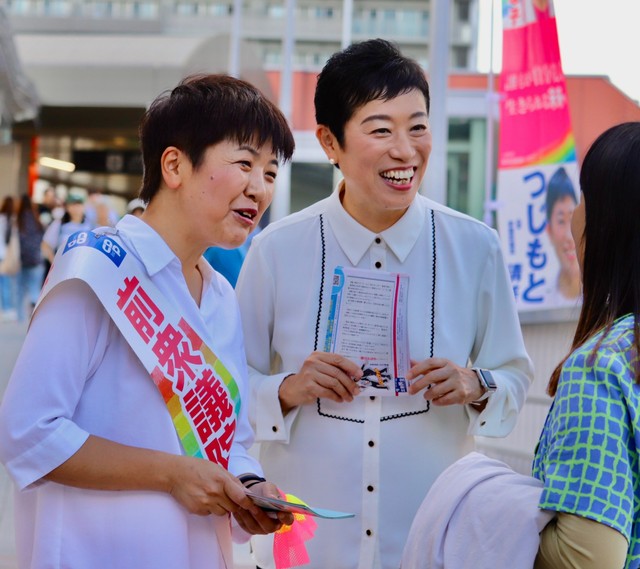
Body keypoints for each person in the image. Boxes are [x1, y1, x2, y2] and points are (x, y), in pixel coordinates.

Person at [235, 39, 533, 569]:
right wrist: (286, 389)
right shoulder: (277, 250)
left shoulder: (475, 247)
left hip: (433, 542)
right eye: (381, 129)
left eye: (417, 126)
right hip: (307, 549)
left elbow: (513, 375)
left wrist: (476, 383)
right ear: (330, 142)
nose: (405, 150)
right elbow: (228, 388)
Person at [0, 73, 295, 569]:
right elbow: (27, 431)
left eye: (269, 172)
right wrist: (169, 474)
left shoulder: (221, 295)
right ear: (175, 165)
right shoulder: (97, 270)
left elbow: (231, 437)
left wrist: (248, 485)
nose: (259, 188)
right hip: (92, 552)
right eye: (244, 163)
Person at [532, 121, 640, 569]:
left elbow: (587, 559)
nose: (576, 214)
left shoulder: (603, 368)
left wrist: (483, 503)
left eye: (583, 197)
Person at [544, 165, 581, 306]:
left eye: (573, 220)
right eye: (561, 221)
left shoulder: (605, 295)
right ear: (549, 231)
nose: (569, 236)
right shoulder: (543, 297)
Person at [40, 191, 92, 266]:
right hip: (63, 270)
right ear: (67, 207)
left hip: (82, 270)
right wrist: (55, 263)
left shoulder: (90, 226)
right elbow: (45, 245)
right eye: (73, 205)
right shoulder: (59, 224)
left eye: (79, 204)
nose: (76, 208)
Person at [15, 194, 45, 322]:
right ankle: (33, 313)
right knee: (34, 288)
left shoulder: (18, 221)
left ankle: (20, 316)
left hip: (22, 260)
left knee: (20, 289)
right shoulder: (37, 220)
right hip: (36, 259)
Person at [0, 195, 19, 320]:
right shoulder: (15, 220)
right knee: (10, 282)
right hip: (10, 255)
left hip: (1, 254)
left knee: (4, 283)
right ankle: (10, 308)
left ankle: (7, 308)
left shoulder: (1, 218)